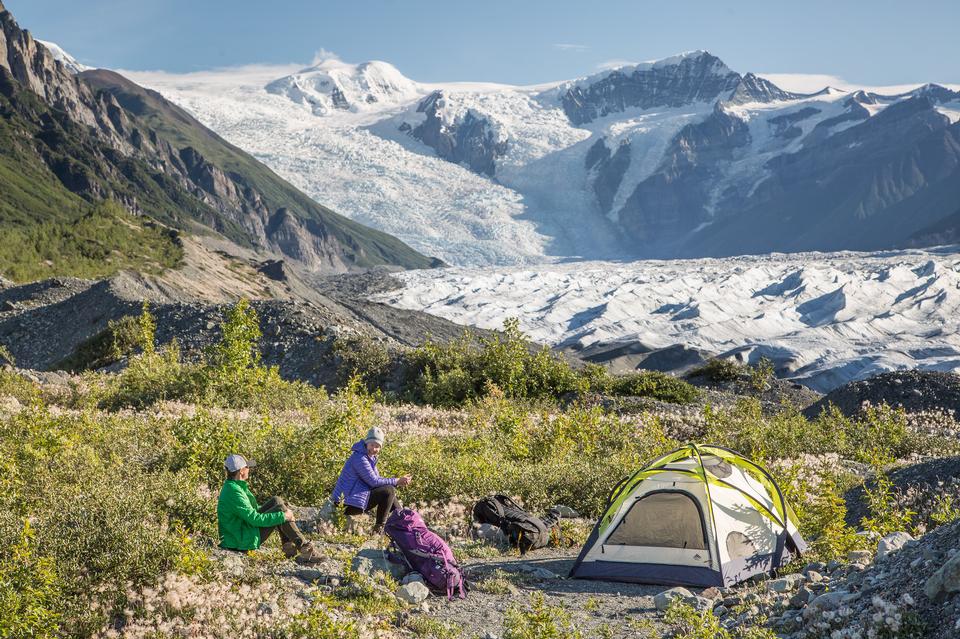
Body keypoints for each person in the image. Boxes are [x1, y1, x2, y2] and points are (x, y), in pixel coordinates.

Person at [217, 454, 323, 563]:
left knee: (276, 501)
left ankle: (289, 547)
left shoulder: (235, 486)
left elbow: (250, 510)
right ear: (241, 471)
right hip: (240, 541)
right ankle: (304, 549)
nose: (249, 469)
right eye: (247, 467)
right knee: (280, 510)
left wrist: (282, 514)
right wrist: (284, 516)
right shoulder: (234, 491)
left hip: (242, 533)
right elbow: (254, 519)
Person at [331, 427, 411, 533]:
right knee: (388, 490)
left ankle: (404, 521)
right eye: (372, 445)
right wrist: (396, 481)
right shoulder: (359, 458)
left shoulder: (370, 458)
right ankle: (379, 529)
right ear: (366, 443)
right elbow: (374, 482)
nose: (374, 449)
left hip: (353, 500)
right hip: (345, 503)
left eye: (377, 446)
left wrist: (397, 481)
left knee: (388, 490)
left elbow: (378, 481)